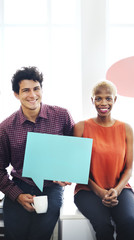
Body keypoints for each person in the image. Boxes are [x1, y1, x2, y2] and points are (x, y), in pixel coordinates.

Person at [0, 66, 74, 240]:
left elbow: (74, 151)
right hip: (20, 184)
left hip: (51, 187)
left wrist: (67, 172)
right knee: (15, 234)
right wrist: (16, 195)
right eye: (25, 90)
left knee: (40, 234)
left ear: (41, 90)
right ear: (16, 94)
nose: (32, 95)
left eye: (36, 89)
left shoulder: (62, 116)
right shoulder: (5, 128)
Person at [73, 80, 134, 240]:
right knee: (104, 226)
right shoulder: (81, 127)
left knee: (129, 224)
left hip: (119, 188)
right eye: (98, 98)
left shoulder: (126, 129)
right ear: (92, 100)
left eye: (108, 98)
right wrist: (100, 192)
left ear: (115, 100)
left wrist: (116, 190)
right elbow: (77, 169)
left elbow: (128, 169)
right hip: (88, 190)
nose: (103, 103)